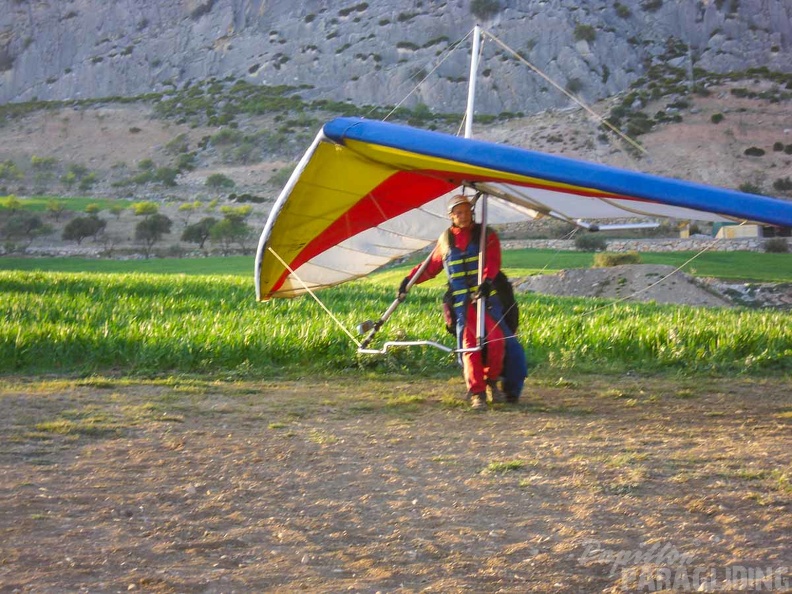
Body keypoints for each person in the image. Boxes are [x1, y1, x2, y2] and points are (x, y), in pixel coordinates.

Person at [398, 194, 507, 410]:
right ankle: (477, 393)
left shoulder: (486, 235)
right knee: (470, 346)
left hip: (484, 299)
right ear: (451, 216)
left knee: (496, 341)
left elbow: (493, 261)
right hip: (461, 304)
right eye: (458, 213)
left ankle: (492, 383)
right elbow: (430, 267)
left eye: (466, 212)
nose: (463, 216)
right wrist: (408, 280)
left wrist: (487, 280)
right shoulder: (446, 240)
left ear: (471, 213)